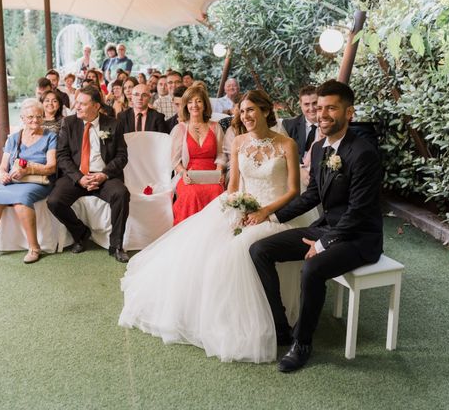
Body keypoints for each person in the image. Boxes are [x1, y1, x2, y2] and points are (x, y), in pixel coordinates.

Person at [120, 90, 313, 363]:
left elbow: (294, 190)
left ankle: (270, 321)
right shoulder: (239, 143)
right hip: (242, 207)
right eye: (242, 112)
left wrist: (264, 212)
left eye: (250, 111)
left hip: (274, 212)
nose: (245, 117)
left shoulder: (286, 145)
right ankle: (214, 315)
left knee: (235, 252)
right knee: (201, 248)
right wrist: (234, 209)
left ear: (265, 112)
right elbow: (233, 186)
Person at [249, 80, 384, 373]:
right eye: (320, 107)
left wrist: (323, 244)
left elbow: (359, 212)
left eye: (331, 108)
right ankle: (282, 326)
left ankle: (302, 343)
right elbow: (312, 196)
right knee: (259, 250)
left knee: (312, 268)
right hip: (326, 228)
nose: (322, 114)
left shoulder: (364, 153)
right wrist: (272, 216)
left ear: (349, 113)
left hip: (359, 238)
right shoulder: (321, 147)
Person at [46, 85, 130, 263]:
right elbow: (62, 156)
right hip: (76, 176)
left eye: (83, 104)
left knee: (121, 194)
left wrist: (104, 175)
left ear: (96, 106)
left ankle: (116, 245)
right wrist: (79, 178)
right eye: (77, 103)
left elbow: (122, 156)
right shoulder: (69, 123)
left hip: (103, 176)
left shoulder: (112, 124)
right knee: (54, 201)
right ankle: (81, 233)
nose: (77, 107)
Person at [0, 98, 57, 265]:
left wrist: (29, 169)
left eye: (39, 116)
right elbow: (2, 166)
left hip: (38, 181)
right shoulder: (14, 138)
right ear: (22, 119)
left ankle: (34, 247)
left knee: (21, 199)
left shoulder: (50, 137)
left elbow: (51, 167)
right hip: (13, 181)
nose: (35, 120)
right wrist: (2, 174)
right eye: (30, 117)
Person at [171, 84, 225, 224]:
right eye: (190, 102)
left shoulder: (215, 127)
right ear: (185, 106)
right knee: (191, 193)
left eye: (198, 101)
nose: (194, 105)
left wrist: (219, 171)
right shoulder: (180, 129)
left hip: (212, 175)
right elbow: (175, 161)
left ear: (205, 104)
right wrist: (183, 173)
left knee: (217, 191)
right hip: (189, 175)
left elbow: (220, 154)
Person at [282, 85, 319, 163]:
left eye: (315, 103)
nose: (311, 108)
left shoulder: (330, 125)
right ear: (301, 105)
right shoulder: (288, 126)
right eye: (306, 104)